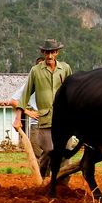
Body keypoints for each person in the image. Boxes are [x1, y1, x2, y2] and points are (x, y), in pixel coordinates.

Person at [19, 39, 72, 179]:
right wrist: (19, 117)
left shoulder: (65, 68)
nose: (49, 56)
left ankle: (62, 185)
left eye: (52, 52)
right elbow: (25, 94)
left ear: (57, 53)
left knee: (66, 153)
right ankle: (42, 181)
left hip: (64, 119)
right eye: (47, 53)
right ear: (43, 52)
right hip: (45, 119)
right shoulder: (36, 71)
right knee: (49, 152)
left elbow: (73, 91)